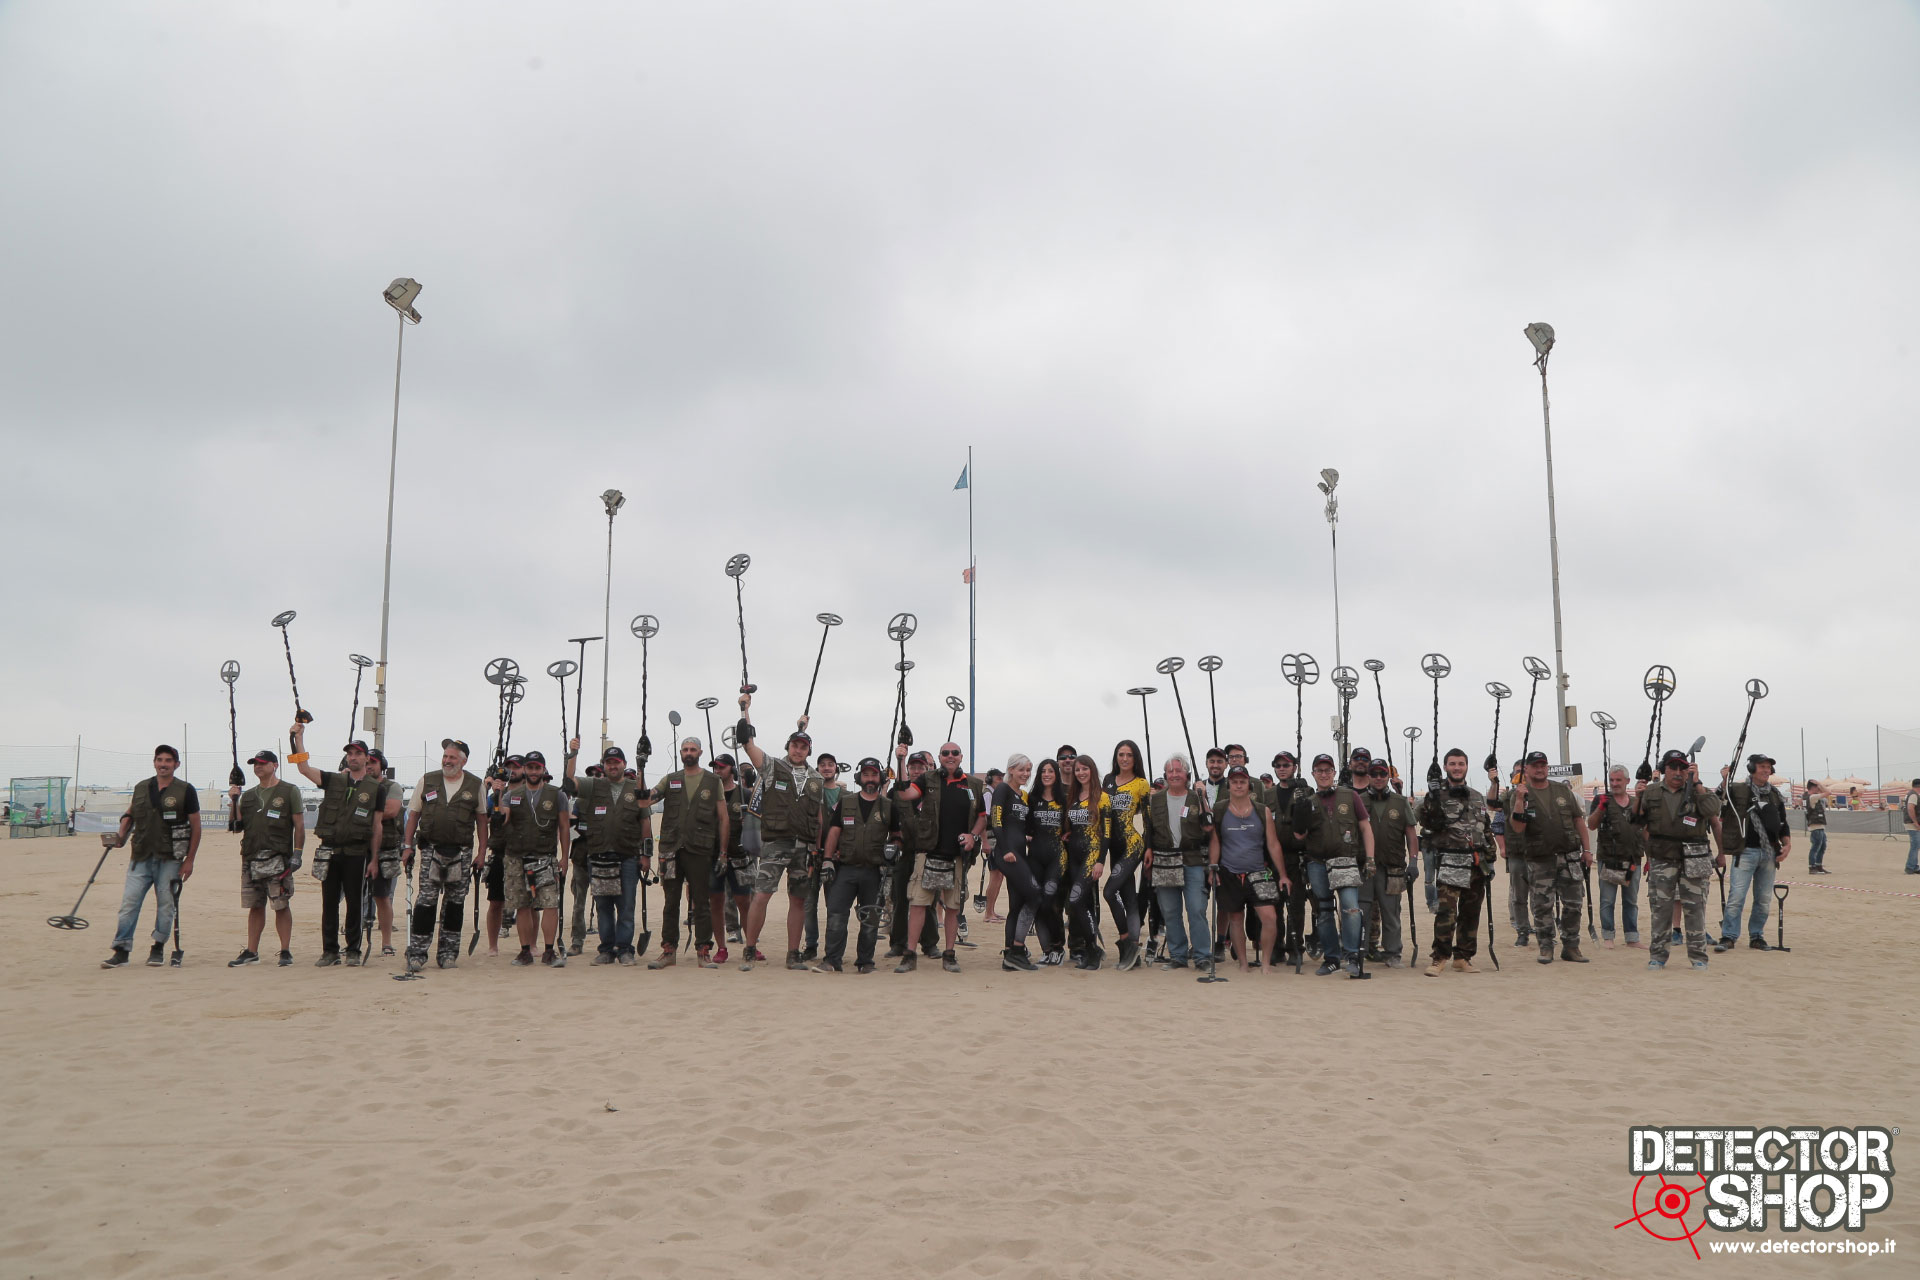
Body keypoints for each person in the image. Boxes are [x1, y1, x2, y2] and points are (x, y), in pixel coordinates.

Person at [737, 693, 825, 971]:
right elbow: (748, 744)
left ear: (809, 751)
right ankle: (750, 949)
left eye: (803, 746)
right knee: (762, 895)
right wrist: (745, 710)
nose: (798, 750)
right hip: (776, 842)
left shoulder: (816, 778)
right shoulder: (773, 766)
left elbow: (819, 817)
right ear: (788, 746)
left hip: (804, 847)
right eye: (795, 745)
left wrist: (817, 848)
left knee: (798, 899)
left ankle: (793, 953)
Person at [290, 726, 387, 967]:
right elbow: (304, 769)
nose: (353, 757)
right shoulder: (333, 780)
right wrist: (299, 739)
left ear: (366, 758)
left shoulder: (377, 789)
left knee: (355, 903)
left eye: (357, 753)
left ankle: (353, 950)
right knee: (329, 903)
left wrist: (374, 859)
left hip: (357, 852)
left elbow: (377, 826)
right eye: (349, 754)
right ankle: (330, 951)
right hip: (330, 850)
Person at [100, 745, 200, 969]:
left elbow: (196, 826)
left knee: (166, 905)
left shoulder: (186, 790)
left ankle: (158, 948)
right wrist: (120, 835)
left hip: (170, 858)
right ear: (154, 762)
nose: (163, 764)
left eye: (168, 760)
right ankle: (121, 950)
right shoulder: (141, 787)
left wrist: (189, 860)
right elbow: (131, 814)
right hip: (141, 856)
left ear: (176, 764)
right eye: (159, 760)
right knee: (129, 903)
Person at [892, 740, 986, 973]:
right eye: (945, 753)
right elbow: (904, 793)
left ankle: (949, 954)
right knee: (918, 904)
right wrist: (900, 760)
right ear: (940, 757)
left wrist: (973, 836)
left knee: (953, 907)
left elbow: (982, 816)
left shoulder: (974, 785)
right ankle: (909, 955)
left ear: (961, 757)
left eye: (955, 752)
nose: (950, 756)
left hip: (957, 857)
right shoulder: (928, 779)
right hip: (927, 852)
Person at [399, 738, 487, 973]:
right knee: (425, 903)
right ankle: (417, 954)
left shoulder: (475, 785)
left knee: (454, 905)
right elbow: (413, 814)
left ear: (463, 761)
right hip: (431, 850)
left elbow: (482, 820)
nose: (447, 761)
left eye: (452, 757)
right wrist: (407, 846)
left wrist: (481, 853)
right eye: (445, 756)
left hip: (462, 853)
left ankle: (448, 954)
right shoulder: (428, 780)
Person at [1633, 748, 1724, 969]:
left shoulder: (1698, 791)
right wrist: (1637, 797)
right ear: (1664, 769)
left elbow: (1713, 810)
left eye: (1682, 768)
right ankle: (1658, 956)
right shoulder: (1651, 792)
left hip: (1694, 858)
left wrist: (1697, 783)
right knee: (1660, 910)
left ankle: (1698, 957)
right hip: (1662, 857)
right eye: (1672, 767)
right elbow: (1635, 820)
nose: (1677, 772)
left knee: (1695, 910)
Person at [563, 740, 651, 965]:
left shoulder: (635, 787)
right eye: (609, 762)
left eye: (617, 762)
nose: (613, 766)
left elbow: (645, 822)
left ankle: (625, 950)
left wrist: (646, 855)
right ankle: (606, 950)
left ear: (624, 764)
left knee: (626, 906)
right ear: (603, 765)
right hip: (598, 856)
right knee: (603, 906)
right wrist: (573, 754)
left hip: (628, 856)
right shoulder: (593, 785)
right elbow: (569, 782)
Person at [1502, 750, 1593, 965]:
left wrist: (1587, 850)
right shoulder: (1520, 794)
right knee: (1542, 905)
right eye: (1535, 766)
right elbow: (1517, 827)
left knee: (1574, 904)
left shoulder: (1562, 790)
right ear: (1527, 769)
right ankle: (1546, 946)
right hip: (1540, 859)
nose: (1540, 769)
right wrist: (1520, 799)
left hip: (1569, 857)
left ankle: (1571, 946)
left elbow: (1578, 820)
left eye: (1543, 765)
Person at [646, 737, 729, 968]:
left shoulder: (713, 781)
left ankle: (703, 951)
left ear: (700, 752)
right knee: (671, 901)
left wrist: (723, 853)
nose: (688, 752)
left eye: (693, 749)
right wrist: (641, 768)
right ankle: (668, 951)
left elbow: (723, 818)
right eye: (685, 749)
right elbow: (645, 802)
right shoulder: (670, 779)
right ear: (681, 753)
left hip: (700, 848)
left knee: (701, 901)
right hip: (670, 849)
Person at [488, 750, 573, 967]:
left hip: (545, 857)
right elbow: (502, 818)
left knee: (550, 904)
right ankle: (525, 951)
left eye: (537, 767)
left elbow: (564, 827)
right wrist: (497, 794)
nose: (533, 771)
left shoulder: (557, 795)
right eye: (530, 767)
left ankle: (549, 950)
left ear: (543, 769)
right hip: (516, 857)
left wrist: (564, 858)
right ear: (524, 769)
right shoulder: (511, 795)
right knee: (522, 905)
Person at [1207, 765, 1291, 972]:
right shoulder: (1220, 810)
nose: (1238, 785)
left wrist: (1283, 875)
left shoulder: (1263, 811)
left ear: (1249, 785)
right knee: (1236, 919)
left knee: (1270, 918)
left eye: (1242, 782)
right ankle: (1243, 964)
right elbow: (1215, 841)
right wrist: (1212, 868)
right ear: (1228, 785)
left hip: (1258, 872)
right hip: (1229, 872)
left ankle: (1265, 963)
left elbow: (1273, 844)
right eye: (1234, 782)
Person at [1419, 749, 1495, 975]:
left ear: (1466, 766)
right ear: (1445, 767)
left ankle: (1463, 957)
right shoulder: (1436, 794)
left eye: (1461, 764)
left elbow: (1485, 827)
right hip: (1450, 861)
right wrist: (1433, 796)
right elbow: (1428, 822)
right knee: (1447, 912)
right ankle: (1439, 958)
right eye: (1452, 764)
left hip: (1476, 862)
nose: (1457, 768)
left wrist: (1490, 857)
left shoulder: (1476, 796)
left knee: (1471, 912)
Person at [818, 757, 897, 973]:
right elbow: (834, 832)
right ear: (859, 778)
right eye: (866, 775)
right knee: (836, 914)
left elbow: (897, 835)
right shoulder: (846, 802)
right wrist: (827, 859)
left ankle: (865, 962)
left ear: (880, 778)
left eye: (874, 775)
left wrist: (893, 850)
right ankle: (832, 960)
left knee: (871, 918)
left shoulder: (888, 806)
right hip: (846, 869)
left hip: (875, 871)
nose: (870, 779)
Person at [227, 748, 303, 967]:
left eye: (262, 763)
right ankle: (252, 951)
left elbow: (299, 825)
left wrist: (297, 853)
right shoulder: (249, 795)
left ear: (274, 765)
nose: (258, 767)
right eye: (255, 764)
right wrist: (234, 800)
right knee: (255, 905)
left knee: (281, 904)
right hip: (251, 857)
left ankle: (285, 951)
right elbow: (236, 826)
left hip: (278, 857)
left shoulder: (289, 791)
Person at [1304, 753, 1373, 976]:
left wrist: (1370, 858)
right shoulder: (1309, 802)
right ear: (1313, 774)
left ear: (1334, 772)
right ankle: (1331, 958)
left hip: (1346, 861)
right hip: (1317, 863)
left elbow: (1365, 828)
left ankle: (1352, 955)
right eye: (1319, 770)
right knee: (1324, 912)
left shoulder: (1350, 796)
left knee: (1351, 908)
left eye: (1328, 770)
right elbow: (1300, 834)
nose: (1324, 774)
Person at [1143, 754, 1213, 970]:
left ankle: (1202, 955)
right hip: (1164, 859)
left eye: (1179, 770)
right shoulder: (1155, 799)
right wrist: (1148, 849)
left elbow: (1208, 826)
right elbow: (1149, 828)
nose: (1174, 774)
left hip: (1192, 860)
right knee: (1170, 911)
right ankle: (1178, 956)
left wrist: (1202, 797)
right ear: (1165, 775)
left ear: (1187, 774)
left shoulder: (1196, 797)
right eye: (1170, 771)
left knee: (1196, 909)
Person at [1716, 754, 1791, 951]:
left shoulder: (1774, 794)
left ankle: (1757, 936)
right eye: (1762, 766)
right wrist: (1724, 779)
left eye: (1768, 767)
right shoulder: (1738, 789)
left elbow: (1783, 823)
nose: (1766, 770)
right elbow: (1719, 799)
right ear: (1752, 768)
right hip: (1745, 852)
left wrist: (1787, 845)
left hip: (1769, 853)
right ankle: (1729, 936)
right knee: (1736, 897)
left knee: (1764, 900)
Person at [987, 755, 1049, 970]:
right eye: (1021, 769)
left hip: (1020, 853)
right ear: (1011, 770)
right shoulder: (1003, 789)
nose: (1025, 774)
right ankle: (1017, 948)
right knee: (1035, 894)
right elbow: (996, 821)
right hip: (1007, 854)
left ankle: (1010, 954)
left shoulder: (1022, 795)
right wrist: (1005, 850)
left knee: (1016, 904)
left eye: (1028, 770)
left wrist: (1029, 838)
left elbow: (1020, 825)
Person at [1358, 761, 1417, 967]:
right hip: (1364, 867)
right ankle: (1360, 952)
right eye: (1374, 774)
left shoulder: (1400, 802)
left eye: (1382, 774)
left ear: (1388, 777)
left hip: (1392, 867)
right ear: (1368, 776)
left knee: (1391, 912)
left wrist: (1414, 862)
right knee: (1362, 911)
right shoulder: (1359, 800)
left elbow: (1411, 834)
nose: (1378, 778)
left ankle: (1393, 953)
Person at [1101, 740, 1152, 970]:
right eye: (1120, 754)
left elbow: (1148, 820)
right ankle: (1133, 951)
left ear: (1135, 758)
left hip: (1132, 845)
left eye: (1129, 755)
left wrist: (1149, 848)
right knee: (1129, 897)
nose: (1124, 759)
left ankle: (1127, 943)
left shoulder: (1141, 784)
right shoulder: (1108, 780)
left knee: (1109, 891)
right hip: (1113, 847)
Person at [886, 750, 941, 959]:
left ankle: (929, 944)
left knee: (929, 901)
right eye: (913, 767)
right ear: (907, 769)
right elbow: (887, 818)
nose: (917, 771)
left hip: (928, 853)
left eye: (921, 767)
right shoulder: (896, 792)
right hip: (904, 853)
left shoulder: (934, 791)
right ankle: (898, 943)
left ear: (928, 769)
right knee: (900, 899)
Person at [1060, 753, 1112, 970]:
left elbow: (1107, 833)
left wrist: (1100, 861)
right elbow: (1072, 825)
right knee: (1083, 903)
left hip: (1092, 855)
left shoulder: (1102, 797)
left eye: (1085, 769)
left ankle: (1092, 948)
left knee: (1075, 900)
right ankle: (1092, 950)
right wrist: (1067, 834)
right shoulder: (1073, 797)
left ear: (1092, 770)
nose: (1081, 773)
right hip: (1074, 856)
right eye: (1078, 770)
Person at [1265, 751, 1315, 968]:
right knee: (1273, 903)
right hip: (1273, 857)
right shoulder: (1268, 795)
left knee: (1296, 904)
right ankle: (1276, 948)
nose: (1282, 769)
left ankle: (1295, 947)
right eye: (1278, 765)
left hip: (1298, 856)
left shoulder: (1306, 792)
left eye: (1286, 765)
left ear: (1294, 767)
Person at [1588, 765, 1645, 948]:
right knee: (1607, 900)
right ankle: (1608, 936)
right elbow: (1591, 825)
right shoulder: (1601, 800)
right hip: (1609, 859)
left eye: (1618, 780)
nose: (1614, 783)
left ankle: (1632, 938)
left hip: (1632, 859)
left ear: (1627, 781)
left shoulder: (1636, 802)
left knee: (1631, 901)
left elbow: (1645, 829)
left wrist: (1650, 857)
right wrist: (1601, 808)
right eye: (1611, 780)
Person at [707, 752, 754, 964]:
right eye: (715, 767)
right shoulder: (708, 794)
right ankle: (721, 947)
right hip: (713, 855)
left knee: (744, 902)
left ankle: (751, 945)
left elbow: (759, 823)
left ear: (732, 770)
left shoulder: (745, 794)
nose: (718, 771)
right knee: (716, 902)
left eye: (722, 767)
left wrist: (749, 823)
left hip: (739, 856)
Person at [1025, 758, 1069, 966]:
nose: (1046, 774)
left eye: (1050, 771)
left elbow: (1072, 826)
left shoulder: (1064, 799)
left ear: (1056, 774)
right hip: (1035, 856)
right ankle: (1047, 949)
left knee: (1050, 901)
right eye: (1043, 771)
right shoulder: (1032, 799)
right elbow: (1024, 825)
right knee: (1038, 901)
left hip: (1057, 857)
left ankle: (1059, 947)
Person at [481, 754, 526, 956]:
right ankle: (493, 946)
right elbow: (484, 817)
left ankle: (530, 945)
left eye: (516, 767)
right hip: (500, 852)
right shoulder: (494, 796)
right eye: (508, 767)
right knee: (496, 902)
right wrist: (489, 788)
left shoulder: (531, 793)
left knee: (528, 904)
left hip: (524, 852)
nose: (512, 771)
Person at [980, 766, 1008, 924]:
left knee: (999, 876)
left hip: (996, 839)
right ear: (990, 779)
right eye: (999, 778)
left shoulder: (994, 794)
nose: (1001, 781)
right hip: (992, 839)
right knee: (995, 876)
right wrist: (984, 841)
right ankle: (988, 913)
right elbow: (984, 819)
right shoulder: (988, 794)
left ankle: (991, 911)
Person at [1803, 781, 1829, 874]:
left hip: (1818, 825)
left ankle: (1818, 866)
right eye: (1817, 787)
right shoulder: (1812, 797)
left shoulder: (1808, 796)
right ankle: (1812, 867)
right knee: (1816, 847)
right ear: (1813, 788)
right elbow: (1828, 792)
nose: (1819, 789)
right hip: (1816, 826)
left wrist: (1818, 786)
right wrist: (1819, 784)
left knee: (1822, 846)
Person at [1904, 780, 1920, 874]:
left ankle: (1914, 866)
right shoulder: (1914, 795)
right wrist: (1915, 823)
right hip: (1912, 824)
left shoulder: (1911, 794)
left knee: (1916, 846)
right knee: (1915, 846)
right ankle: (1910, 867)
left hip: (1911, 823)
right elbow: (1910, 808)